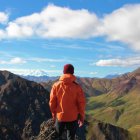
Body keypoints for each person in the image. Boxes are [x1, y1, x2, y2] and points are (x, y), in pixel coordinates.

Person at [49, 64, 86, 140]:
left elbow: (52, 102)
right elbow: (81, 103)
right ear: (72, 72)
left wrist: (54, 115)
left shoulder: (56, 85)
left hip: (60, 117)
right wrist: (81, 117)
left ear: (63, 72)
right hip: (73, 118)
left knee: (57, 136)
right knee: (71, 137)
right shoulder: (77, 87)